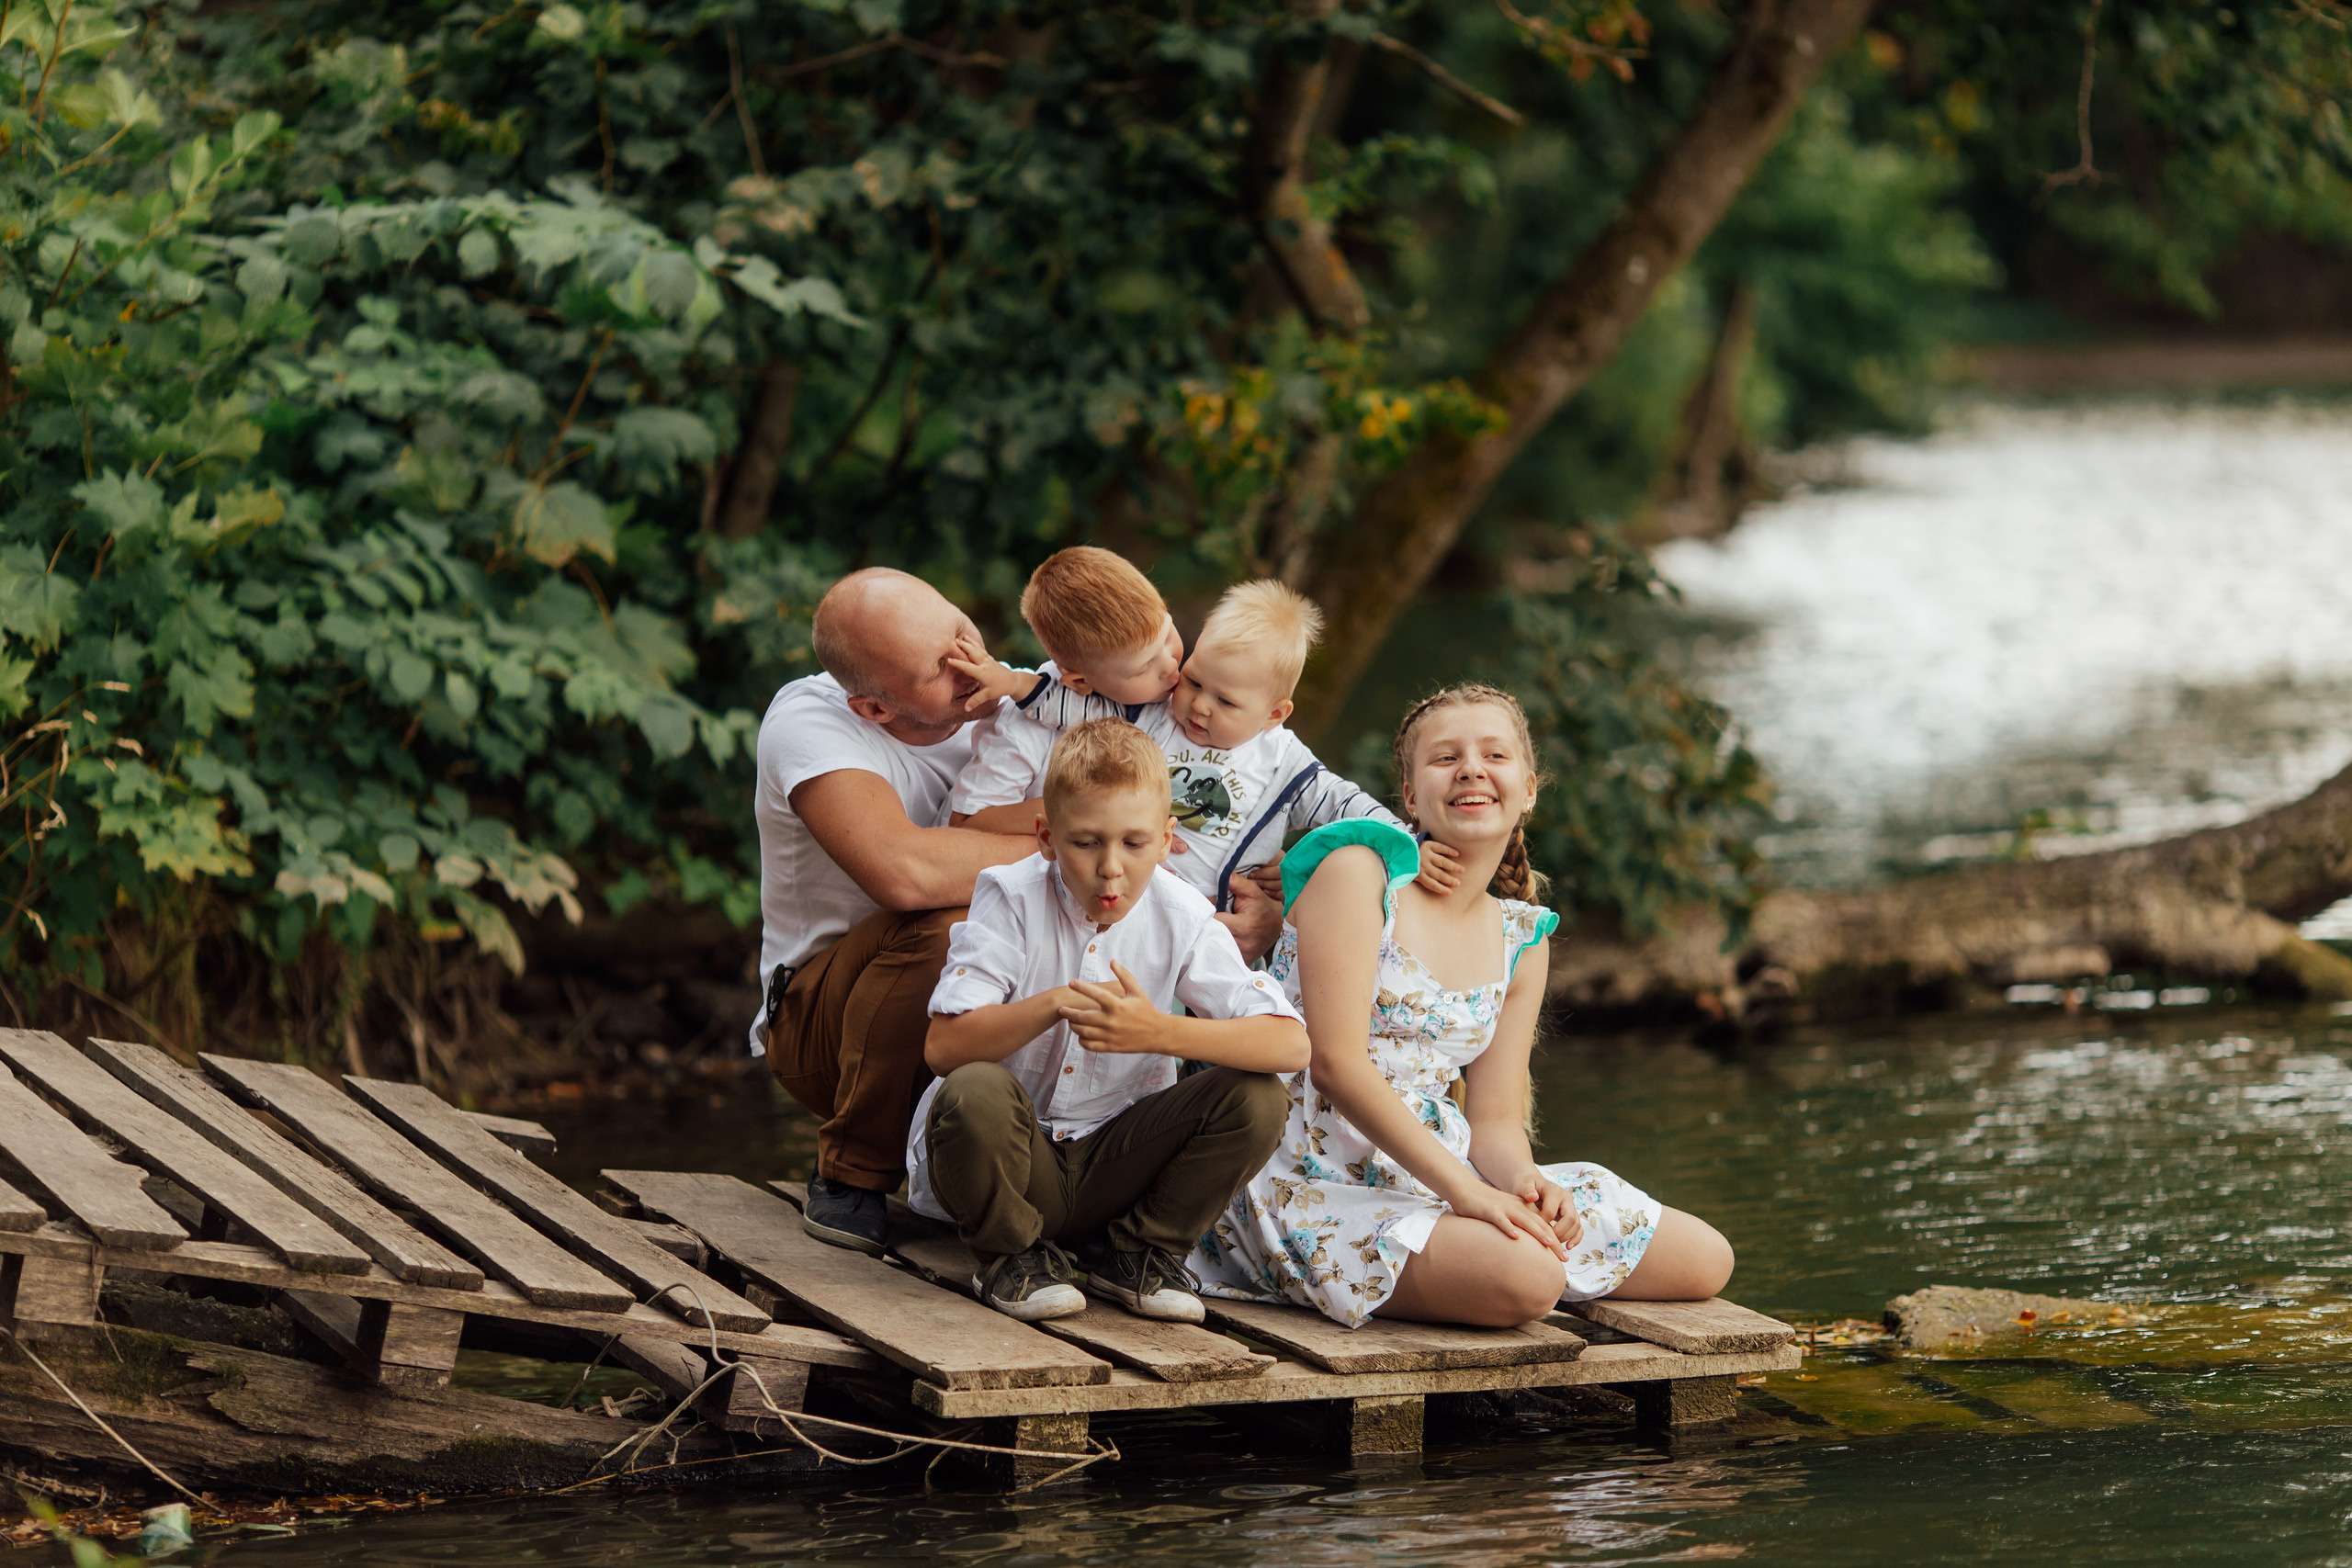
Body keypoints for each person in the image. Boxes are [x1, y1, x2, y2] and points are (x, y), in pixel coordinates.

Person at [1187, 683, 1736, 1328]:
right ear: (1412, 796)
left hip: (1439, 1173)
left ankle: (1466, 1262)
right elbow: (1335, 1066)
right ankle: (1451, 1268)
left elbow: (1497, 1119)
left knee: (1704, 1259)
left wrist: (1526, 1185)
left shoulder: (1522, 938)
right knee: (1531, 1276)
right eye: (1446, 757)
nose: (1472, 768)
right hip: (1310, 1180)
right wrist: (1470, 1194)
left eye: (1493, 755)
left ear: (1527, 788)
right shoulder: (1359, 871)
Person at [913, 719, 1307, 1323]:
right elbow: (943, 1047)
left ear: (1169, 838)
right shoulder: (1010, 897)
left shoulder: (1182, 913)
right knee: (971, 1089)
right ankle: (1009, 1257)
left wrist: (1159, 1032)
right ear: (1046, 836)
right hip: (1016, 1164)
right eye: (1087, 842)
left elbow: (1290, 1042)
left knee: (1256, 1095)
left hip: (1116, 1163)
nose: (1111, 869)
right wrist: (1052, 1004)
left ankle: (1139, 1253)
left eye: (1134, 842)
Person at [751, 568, 1043, 1257]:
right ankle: (851, 1170)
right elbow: (903, 873)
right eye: (938, 670)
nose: (968, 664)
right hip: (825, 1023)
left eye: (962, 632)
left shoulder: (1027, 697)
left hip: (993, 999)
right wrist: (1068, 841)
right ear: (876, 708)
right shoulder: (810, 721)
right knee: (952, 922)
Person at [951, 571, 1459, 928]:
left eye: (1226, 701)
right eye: (1194, 680)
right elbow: (1070, 705)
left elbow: (1346, 807)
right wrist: (1012, 683)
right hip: (1118, 903)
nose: (1197, 705)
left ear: (1274, 714)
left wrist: (1408, 843)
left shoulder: (1285, 763)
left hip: (1211, 922)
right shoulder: (1151, 715)